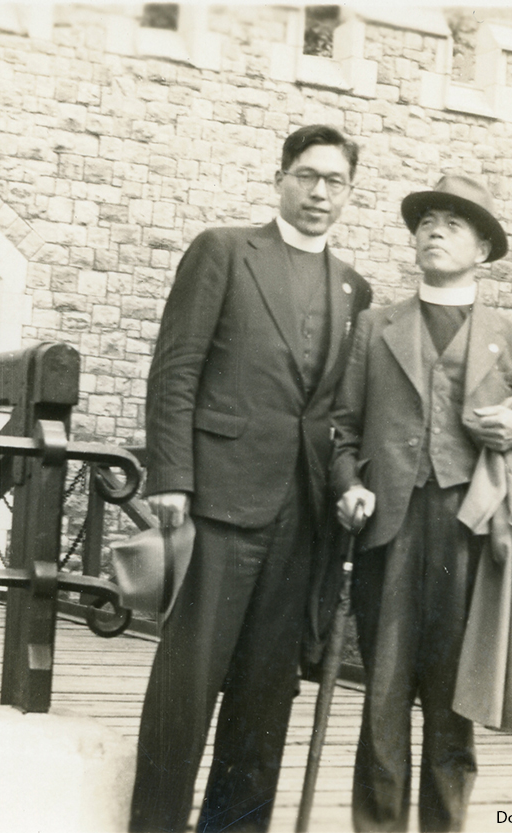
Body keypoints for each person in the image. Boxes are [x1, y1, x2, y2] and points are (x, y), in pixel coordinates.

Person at [131, 124, 373, 833]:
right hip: (219, 500)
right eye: (307, 176)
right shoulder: (224, 250)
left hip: (303, 517)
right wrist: (171, 474)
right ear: (280, 179)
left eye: (335, 181)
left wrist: (345, 487)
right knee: (186, 688)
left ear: (349, 193)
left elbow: (338, 412)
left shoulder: (355, 288)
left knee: (266, 699)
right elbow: (176, 366)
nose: (319, 192)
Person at [329, 174, 512, 832]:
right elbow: (342, 429)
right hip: (389, 527)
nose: (435, 231)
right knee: (383, 697)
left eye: (454, 223)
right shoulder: (376, 326)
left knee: (456, 702)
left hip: (473, 532)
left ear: (482, 249)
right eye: (427, 221)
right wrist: (348, 485)